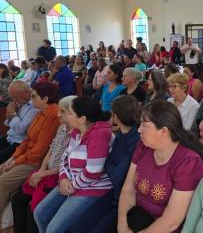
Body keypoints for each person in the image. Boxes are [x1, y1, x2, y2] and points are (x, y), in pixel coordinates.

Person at [117, 101, 203, 233]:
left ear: (164, 131)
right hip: (137, 218)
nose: (139, 129)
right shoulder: (143, 147)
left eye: (144, 125)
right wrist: (122, 226)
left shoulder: (189, 162)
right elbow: (128, 190)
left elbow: (172, 220)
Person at [33, 96, 113, 233]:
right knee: (40, 213)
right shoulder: (77, 131)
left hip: (92, 187)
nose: (65, 116)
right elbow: (65, 157)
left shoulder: (99, 135)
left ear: (82, 118)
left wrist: (71, 186)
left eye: (69, 113)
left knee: (54, 229)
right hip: (71, 181)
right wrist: (63, 178)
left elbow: (93, 173)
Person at [71, 96, 141, 233]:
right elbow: (110, 164)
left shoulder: (136, 140)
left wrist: (108, 166)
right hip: (113, 192)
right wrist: (109, 166)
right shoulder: (121, 134)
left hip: (124, 198)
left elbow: (117, 175)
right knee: (78, 226)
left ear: (116, 116)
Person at [11, 95, 75, 233]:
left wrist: (43, 173)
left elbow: (68, 165)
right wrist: (41, 170)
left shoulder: (77, 135)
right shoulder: (62, 128)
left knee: (32, 208)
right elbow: (50, 150)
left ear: (73, 113)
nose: (58, 114)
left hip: (59, 177)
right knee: (17, 199)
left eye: (62, 111)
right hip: (46, 172)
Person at [0, 82, 60, 216]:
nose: (31, 99)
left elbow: (39, 152)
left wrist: (15, 162)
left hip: (34, 163)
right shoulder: (41, 112)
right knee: (1, 169)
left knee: (2, 183)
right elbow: (26, 139)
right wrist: (12, 158)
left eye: (34, 96)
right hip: (26, 156)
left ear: (45, 99)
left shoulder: (52, 116)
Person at [0, 81, 39, 164]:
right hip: (10, 137)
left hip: (19, 143)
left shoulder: (35, 106)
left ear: (26, 92)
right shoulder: (22, 102)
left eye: (15, 97)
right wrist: (10, 114)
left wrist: (13, 114)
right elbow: (8, 123)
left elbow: (21, 130)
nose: (14, 100)